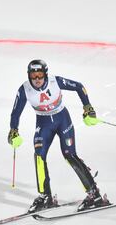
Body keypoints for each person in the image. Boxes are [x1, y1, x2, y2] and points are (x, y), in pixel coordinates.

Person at [8, 59, 110, 213]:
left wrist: (88, 107)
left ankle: (94, 193)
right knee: (39, 156)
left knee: (69, 154)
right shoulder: (24, 89)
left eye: (40, 75)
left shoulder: (55, 81)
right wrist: (13, 130)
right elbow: (15, 113)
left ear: (45, 74)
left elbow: (79, 87)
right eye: (33, 76)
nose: (37, 79)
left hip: (62, 120)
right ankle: (45, 196)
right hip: (43, 124)